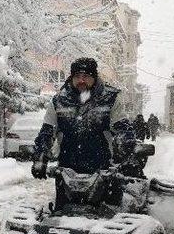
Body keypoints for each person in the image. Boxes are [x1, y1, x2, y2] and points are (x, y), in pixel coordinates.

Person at [31, 58, 136, 208]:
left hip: (103, 168)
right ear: (71, 78)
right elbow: (47, 131)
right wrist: (40, 158)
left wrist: (124, 150)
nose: (81, 80)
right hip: (67, 168)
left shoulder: (110, 99)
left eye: (86, 76)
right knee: (63, 217)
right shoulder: (58, 100)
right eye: (77, 77)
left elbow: (122, 128)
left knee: (108, 216)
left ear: (94, 77)